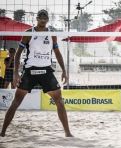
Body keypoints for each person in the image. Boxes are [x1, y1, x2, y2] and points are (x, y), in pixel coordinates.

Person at [0, 9, 73, 137]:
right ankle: (3, 132)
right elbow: (18, 54)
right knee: (16, 102)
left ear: (48, 20)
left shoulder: (52, 33)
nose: (43, 20)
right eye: (41, 18)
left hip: (46, 71)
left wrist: (64, 71)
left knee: (59, 100)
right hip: (30, 71)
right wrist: (16, 73)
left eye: (45, 18)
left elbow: (57, 53)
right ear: (37, 19)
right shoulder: (29, 33)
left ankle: (67, 133)